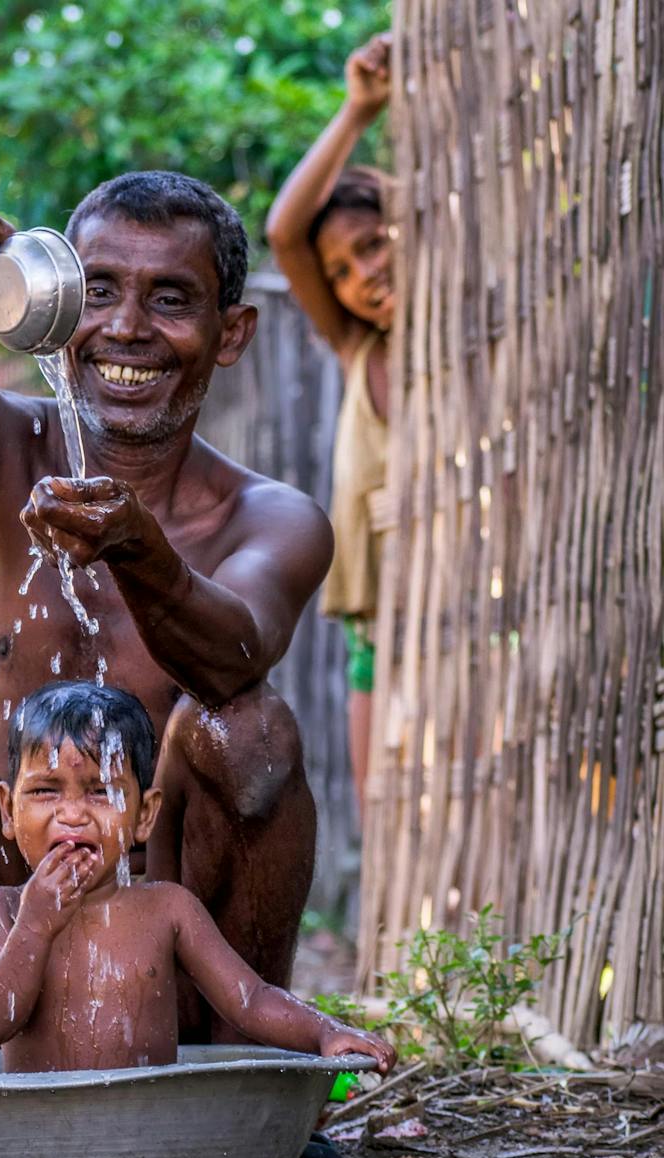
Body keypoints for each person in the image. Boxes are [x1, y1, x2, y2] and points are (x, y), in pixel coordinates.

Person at [0, 171, 332, 1060]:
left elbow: (236, 661)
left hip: (168, 947)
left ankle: (246, 1073)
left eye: (172, 299)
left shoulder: (268, 518)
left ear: (231, 334)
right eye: (98, 290)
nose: (126, 328)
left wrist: (139, 550)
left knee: (250, 730)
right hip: (3, 946)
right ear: (57, 302)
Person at [0, 682, 395, 1075]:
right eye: (45, 791)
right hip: (38, 1139)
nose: (72, 814)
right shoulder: (3, 910)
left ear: (145, 815)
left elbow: (250, 999)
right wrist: (34, 927)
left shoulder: (167, 909)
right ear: (7, 809)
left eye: (101, 792)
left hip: (153, 1133)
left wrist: (325, 1032)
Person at [264, 31, 395, 813]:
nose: (362, 276)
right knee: (393, 824)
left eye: (375, 244)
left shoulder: (479, 359)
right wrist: (356, 113)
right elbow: (285, 233)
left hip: (478, 630)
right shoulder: (357, 347)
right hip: (374, 639)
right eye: (341, 271)